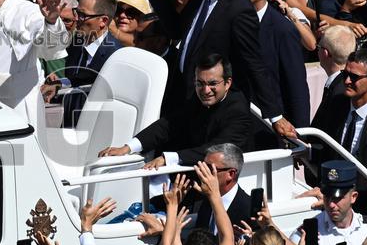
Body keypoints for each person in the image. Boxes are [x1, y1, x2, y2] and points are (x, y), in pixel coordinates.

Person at [151, 0, 292, 139]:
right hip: (182, 97)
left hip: (211, 108)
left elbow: (254, 63)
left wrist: (276, 116)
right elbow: (177, 32)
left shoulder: (240, 10)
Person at [101, 54, 253, 169]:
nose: (206, 90)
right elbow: (169, 124)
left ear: (227, 83)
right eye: (200, 83)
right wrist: (127, 148)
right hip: (193, 169)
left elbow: (217, 150)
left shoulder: (238, 112)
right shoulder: (197, 98)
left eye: (212, 84)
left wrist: (168, 158)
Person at [240, 0, 311, 128]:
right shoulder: (236, 21)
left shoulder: (282, 29)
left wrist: (300, 133)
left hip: (268, 125)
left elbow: (296, 85)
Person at [312, 48, 367, 173]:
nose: (347, 81)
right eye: (344, 74)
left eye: (354, 77)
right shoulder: (334, 104)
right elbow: (315, 139)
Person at [290, 161, 367, 245]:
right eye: (327, 197)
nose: (331, 205)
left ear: (353, 197)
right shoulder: (305, 235)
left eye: (337, 198)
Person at [59, 0, 118, 128]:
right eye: (77, 12)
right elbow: (78, 79)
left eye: (83, 15)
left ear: (103, 21)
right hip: (69, 127)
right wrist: (61, 83)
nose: (76, 19)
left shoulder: (115, 57)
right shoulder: (76, 42)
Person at [315, 25, 358, 107]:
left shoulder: (338, 93)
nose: (317, 50)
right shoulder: (350, 86)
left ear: (325, 53)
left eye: (318, 47)